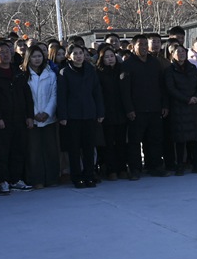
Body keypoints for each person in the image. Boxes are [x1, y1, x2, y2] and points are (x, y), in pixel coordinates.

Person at [0, 41, 34, 195]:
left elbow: (27, 96)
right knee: (1, 151)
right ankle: (3, 180)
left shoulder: (18, 73)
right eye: (1, 52)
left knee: (18, 150)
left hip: (19, 118)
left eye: (7, 52)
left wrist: (29, 116)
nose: (5, 55)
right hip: (1, 120)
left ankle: (15, 179)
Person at [56, 44, 105, 188]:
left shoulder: (91, 70)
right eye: (75, 54)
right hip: (73, 115)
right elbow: (62, 96)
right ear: (69, 56)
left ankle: (90, 175)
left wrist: (100, 112)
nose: (78, 56)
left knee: (89, 147)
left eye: (80, 53)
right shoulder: (64, 72)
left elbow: (97, 92)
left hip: (89, 113)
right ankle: (77, 177)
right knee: (74, 148)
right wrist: (63, 115)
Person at [121, 34, 169, 179]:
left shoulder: (154, 63)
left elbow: (162, 86)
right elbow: (124, 91)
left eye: (144, 45)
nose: (142, 47)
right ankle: (135, 169)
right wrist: (129, 109)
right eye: (139, 44)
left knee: (155, 139)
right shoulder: (127, 65)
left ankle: (154, 166)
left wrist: (164, 104)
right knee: (135, 141)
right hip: (137, 110)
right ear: (133, 46)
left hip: (155, 108)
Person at [164, 42, 197, 175]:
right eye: (178, 52)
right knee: (180, 139)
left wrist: (196, 97)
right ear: (172, 55)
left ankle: (196, 163)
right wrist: (186, 99)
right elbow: (171, 88)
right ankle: (180, 164)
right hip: (179, 107)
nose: (181, 54)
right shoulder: (169, 70)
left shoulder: (192, 68)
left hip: (194, 107)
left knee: (194, 137)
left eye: (183, 51)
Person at [24, 46, 61, 189]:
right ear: (28, 58)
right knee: (34, 151)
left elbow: (54, 95)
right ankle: (36, 179)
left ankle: (51, 178)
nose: (37, 59)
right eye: (34, 56)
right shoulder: (24, 75)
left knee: (50, 149)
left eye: (39, 56)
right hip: (32, 119)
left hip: (48, 118)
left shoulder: (50, 74)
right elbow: (25, 98)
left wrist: (47, 112)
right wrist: (33, 114)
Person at [94, 44, 127, 182]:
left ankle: (122, 168)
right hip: (106, 112)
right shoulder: (98, 73)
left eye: (112, 56)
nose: (110, 59)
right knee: (108, 143)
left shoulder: (122, 70)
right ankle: (111, 169)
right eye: (106, 57)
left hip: (121, 111)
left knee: (121, 142)